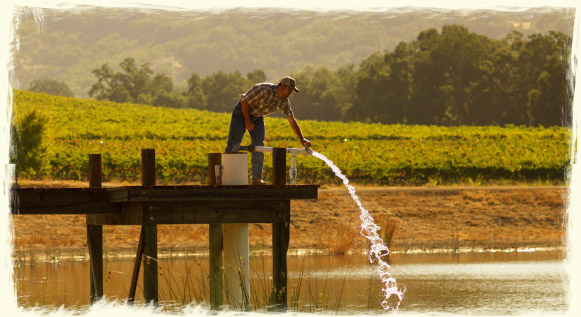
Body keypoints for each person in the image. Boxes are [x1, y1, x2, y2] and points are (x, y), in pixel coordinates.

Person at [225, 76, 312, 185]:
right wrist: (247, 120)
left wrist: (301, 138)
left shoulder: (284, 102)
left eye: (292, 91)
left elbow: (291, 119)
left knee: (259, 145)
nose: (290, 93)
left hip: (258, 116)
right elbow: (244, 102)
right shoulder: (262, 90)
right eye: (289, 90)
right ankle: (228, 178)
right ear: (282, 86)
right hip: (242, 112)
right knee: (234, 143)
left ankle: (256, 179)